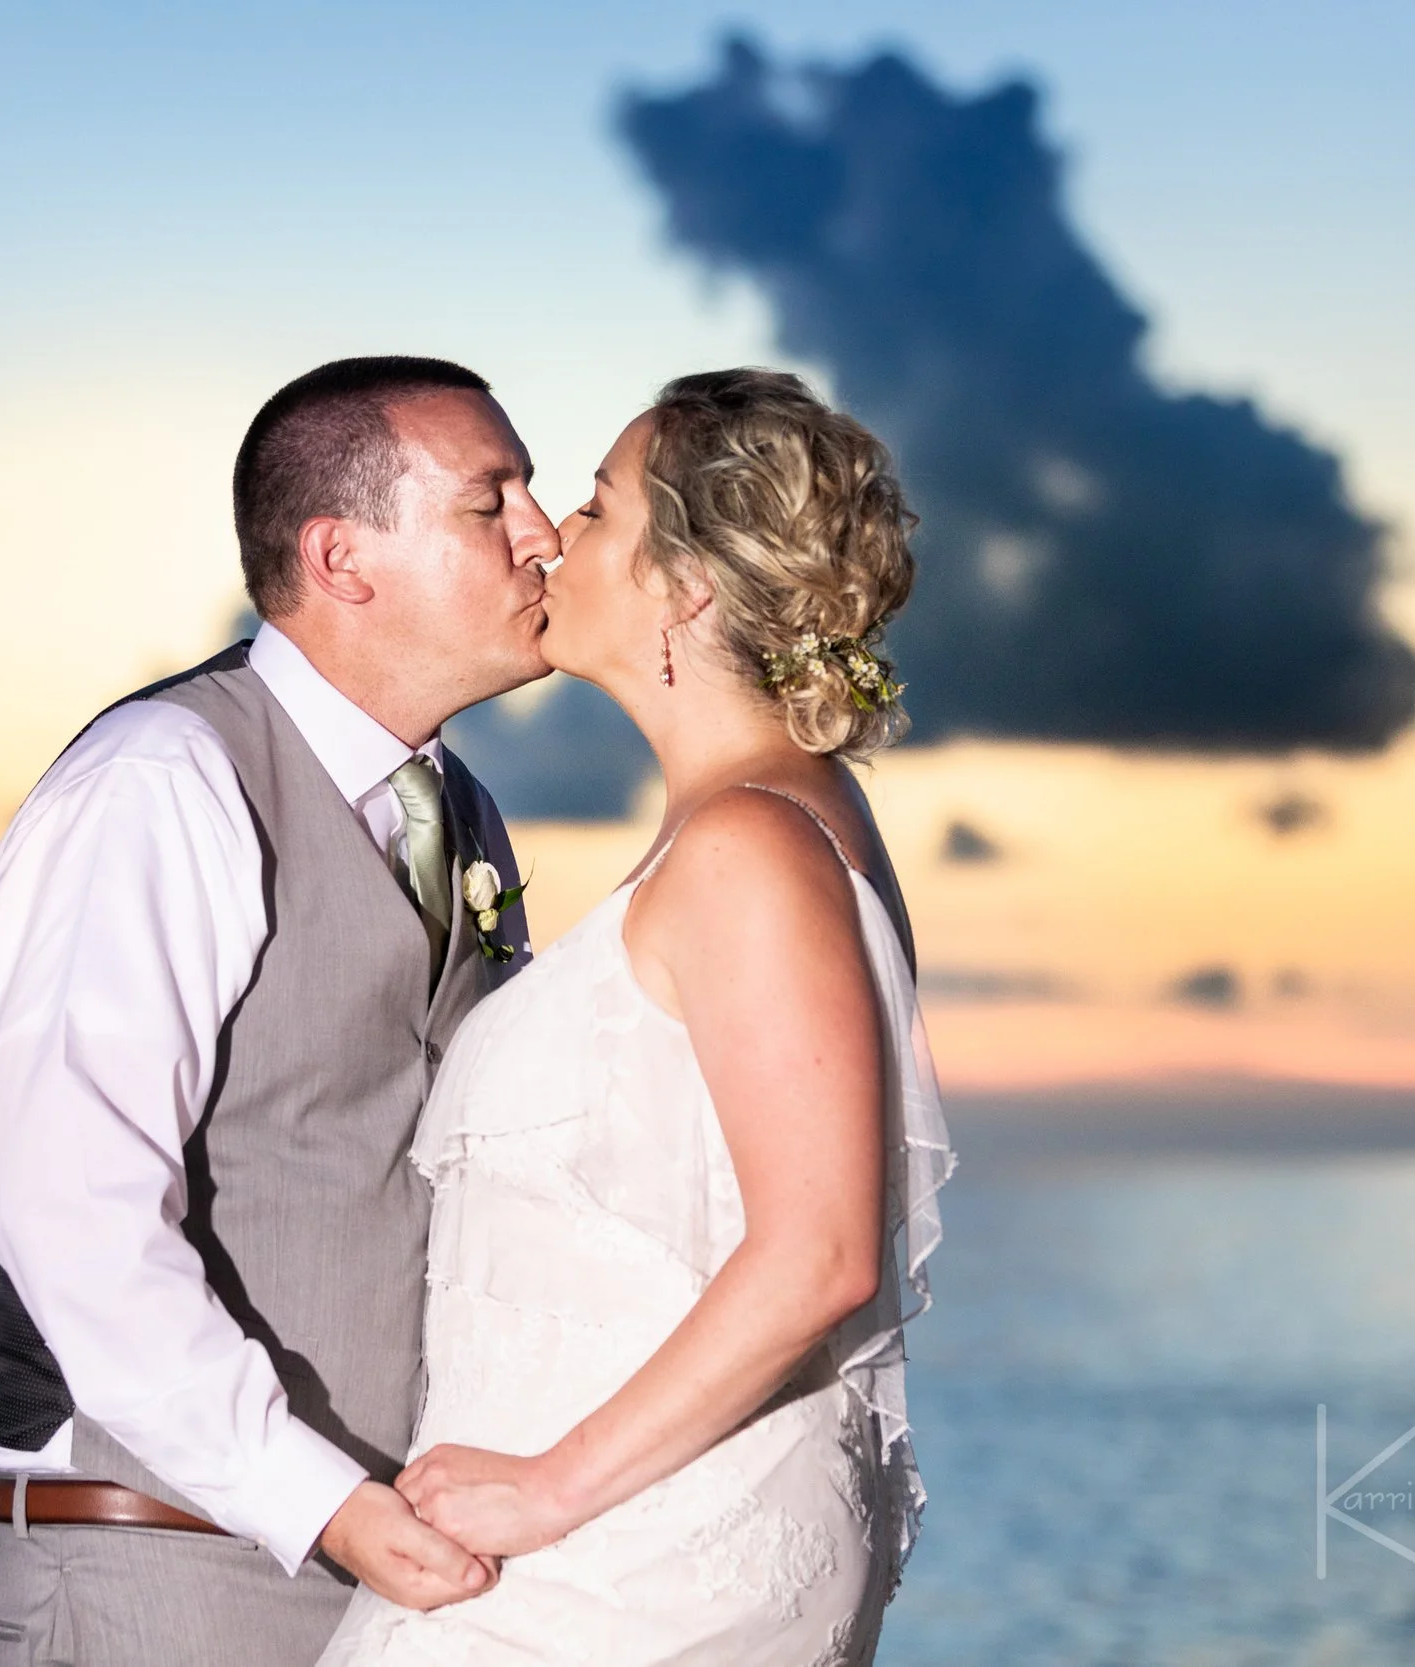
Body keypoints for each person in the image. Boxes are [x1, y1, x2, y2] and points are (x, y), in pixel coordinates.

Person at [316, 368, 956, 1665]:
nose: (553, 533)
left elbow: (822, 1252)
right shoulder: (775, 820)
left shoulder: (753, 847)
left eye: (601, 508)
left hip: (622, 1563)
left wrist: (547, 1484)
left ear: (687, 583)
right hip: (616, 1541)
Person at [0, 355, 560, 1665]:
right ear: (342, 557)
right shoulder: (162, 780)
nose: (545, 535)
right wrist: (321, 1499)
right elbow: (66, 1205)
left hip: (380, 1567)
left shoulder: (463, 812)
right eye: (490, 500)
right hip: (162, 1561)